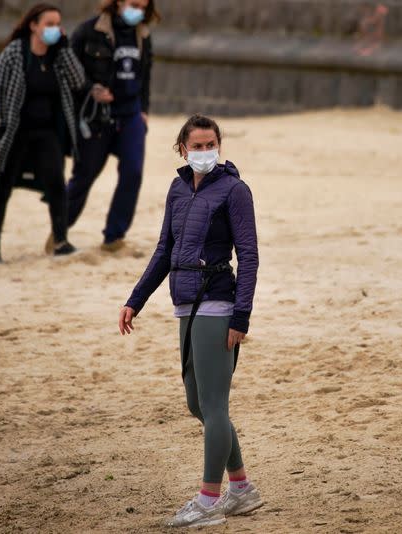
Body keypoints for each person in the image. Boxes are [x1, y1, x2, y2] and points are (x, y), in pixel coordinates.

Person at [118, 115, 263, 527]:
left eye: (210, 144)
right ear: (182, 148)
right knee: (197, 404)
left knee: (215, 405)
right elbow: (165, 249)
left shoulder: (235, 191)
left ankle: (207, 501)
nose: (204, 152)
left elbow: (249, 256)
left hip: (218, 302)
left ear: (219, 145)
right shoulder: (178, 188)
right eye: (196, 146)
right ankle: (242, 489)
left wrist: (242, 316)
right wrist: (136, 299)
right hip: (184, 303)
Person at [0, 3, 86, 263]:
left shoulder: (58, 54)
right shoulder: (14, 53)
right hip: (14, 132)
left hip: (47, 132)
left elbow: (78, 81)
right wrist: (0, 126)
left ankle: (61, 241)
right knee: (2, 187)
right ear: (33, 25)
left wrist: (64, 49)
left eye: (57, 25)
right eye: (49, 24)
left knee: (56, 185)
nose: (54, 30)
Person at [52, 0, 158, 253]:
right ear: (119, 2)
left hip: (130, 114)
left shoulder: (143, 34)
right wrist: (92, 89)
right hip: (96, 117)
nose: (138, 11)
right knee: (84, 175)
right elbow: (67, 70)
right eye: (134, 4)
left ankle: (114, 238)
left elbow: (145, 76)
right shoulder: (88, 31)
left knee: (133, 173)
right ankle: (59, 232)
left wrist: (143, 110)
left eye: (143, 7)